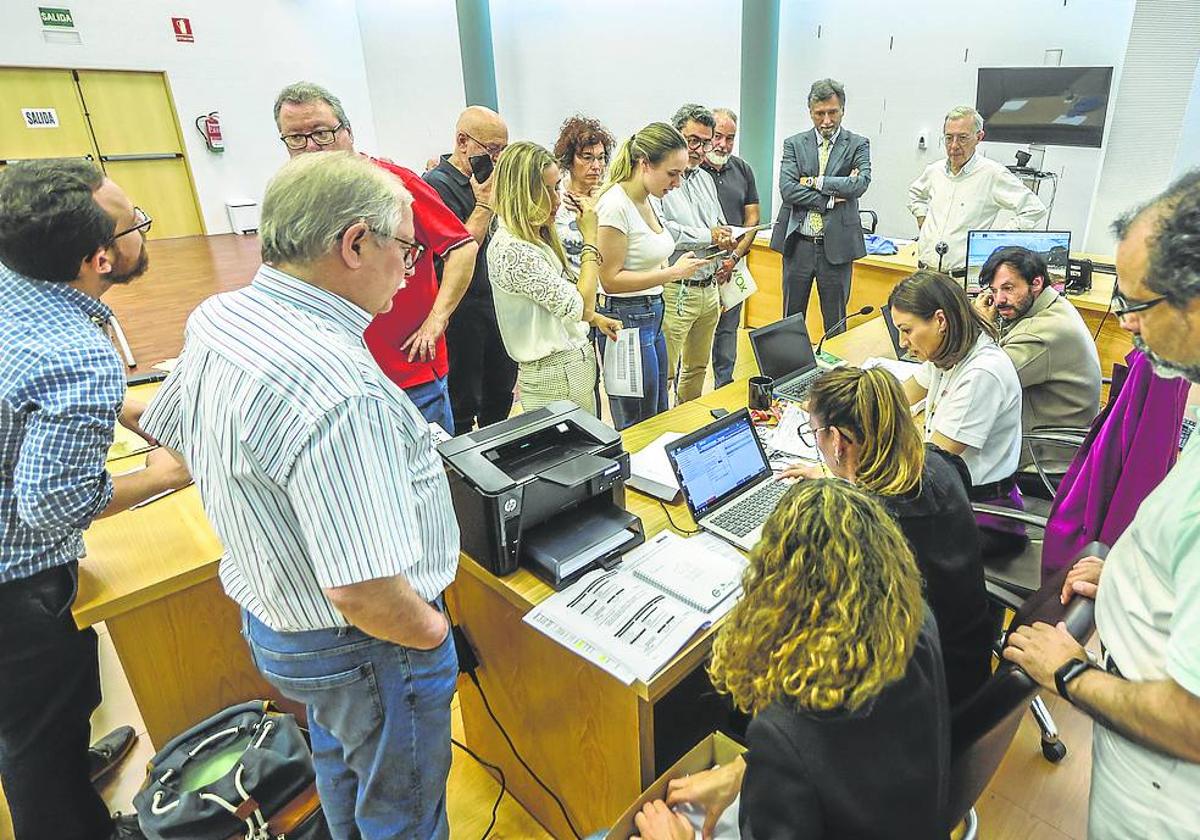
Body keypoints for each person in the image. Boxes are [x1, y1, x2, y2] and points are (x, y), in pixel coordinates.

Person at [141, 153, 459, 839]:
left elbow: (175, 437)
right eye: (407, 249)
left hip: (278, 619)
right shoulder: (338, 386)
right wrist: (431, 636)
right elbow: (363, 591)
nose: (411, 271)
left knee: (343, 767)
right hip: (366, 642)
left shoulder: (220, 316)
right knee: (403, 813)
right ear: (354, 243)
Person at [1003, 170, 1200, 840]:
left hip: (1166, 794)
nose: (1127, 321)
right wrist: (1131, 578)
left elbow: (1194, 719)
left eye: (1138, 302)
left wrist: (1070, 673)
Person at [0, 159, 191, 840]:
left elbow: (23, 403)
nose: (145, 227)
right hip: (16, 583)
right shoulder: (75, 355)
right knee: (40, 731)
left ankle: (67, 767)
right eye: (137, 221)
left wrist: (125, 409)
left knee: (32, 720)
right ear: (101, 257)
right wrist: (168, 475)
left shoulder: (16, 284)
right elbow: (52, 504)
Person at [631, 480, 949, 840]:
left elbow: (814, 752)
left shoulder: (786, 732)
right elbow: (849, 757)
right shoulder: (917, 621)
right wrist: (746, 768)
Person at [274, 81, 477, 434]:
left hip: (410, 376)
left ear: (347, 132)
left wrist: (436, 320)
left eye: (321, 133)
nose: (310, 147)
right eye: (295, 137)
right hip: (340, 378)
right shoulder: (294, 201)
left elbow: (461, 247)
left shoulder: (394, 184)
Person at [784, 366, 993, 707]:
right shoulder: (936, 463)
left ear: (838, 440)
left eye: (815, 433)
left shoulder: (866, 531)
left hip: (918, 699)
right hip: (967, 666)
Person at [888, 270, 1026, 557]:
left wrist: (843, 470)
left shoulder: (981, 373)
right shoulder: (949, 351)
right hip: (953, 494)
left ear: (940, 320)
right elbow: (899, 397)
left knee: (868, 541)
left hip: (981, 514)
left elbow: (929, 464)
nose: (902, 343)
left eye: (907, 330)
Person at [487, 141, 621, 414]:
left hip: (570, 369)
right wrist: (590, 240)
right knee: (576, 455)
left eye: (556, 186)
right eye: (545, 190)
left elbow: (558, 302)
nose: (557, 199)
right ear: (521, 194)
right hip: (554, 377)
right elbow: (582, 307)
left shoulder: (534, 238)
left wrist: (595, 319)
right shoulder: (514, 250)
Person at [595, 122, 709, 429]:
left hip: (652, 313)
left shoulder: (646, 199)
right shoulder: (615, 206)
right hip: (625, 318)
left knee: (657, 412)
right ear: (645, 164)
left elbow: (644, 257)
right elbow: (610, 280)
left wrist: (668, 269)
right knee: (637, 421)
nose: (678, 182)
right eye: (672, 174)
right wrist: (671, 273)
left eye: (682, 174)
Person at [973, 245, 1101, 489]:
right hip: (1057, 438)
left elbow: (979, 383)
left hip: (1043, 455)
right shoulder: (1051, 306)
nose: (999, 300)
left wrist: (977, 324)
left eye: (1008, 288)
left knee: (943, 464)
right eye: (993, 290)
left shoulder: (1041, 334)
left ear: (1036, 283)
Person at [424, 106, 517, 434]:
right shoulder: (435, 187)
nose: (497, 159)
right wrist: (482, 206)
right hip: (462, 313)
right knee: (463, 403)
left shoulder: (491, 180)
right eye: (492, 149)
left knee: (501, 393)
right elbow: (455, 253)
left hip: (497, 306)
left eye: (503, 150)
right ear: (463, 142)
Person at [770, 78, 872, 335]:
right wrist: (828, 198)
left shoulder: (858, 144)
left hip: (836, 247)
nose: (826, 121)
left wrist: (815, 181)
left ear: (843, 110)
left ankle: (837, 375)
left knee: (836, 322)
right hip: (799, 245)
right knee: (790, 321)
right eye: (820, 114)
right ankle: (791, 372)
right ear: (810, 112)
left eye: (832, 112)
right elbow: (788, 189)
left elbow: (860, 184)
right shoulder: (794, 144)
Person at [908, 105, 1048, 274]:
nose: (953, 146)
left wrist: (996, 240)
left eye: (962, 138)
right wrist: (922, 218)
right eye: (948, 138)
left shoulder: (992, 174)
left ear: (979, 137)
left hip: (960, 279)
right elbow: (915, 194)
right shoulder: (934, 171)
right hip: (925, 273)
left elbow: (1034, 209)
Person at [656, 104, 732, 403]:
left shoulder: (704, 178)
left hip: (709, 287)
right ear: (676, 136)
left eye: (707, 141)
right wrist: (709, 235)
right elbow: (665, 233)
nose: (700, 149)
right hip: (677, 289)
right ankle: (661, 432)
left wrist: (725, 236)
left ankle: (688, 427)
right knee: (667, 373)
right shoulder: (661, 180)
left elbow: (716, 223)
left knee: (698, 368)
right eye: (693, 141)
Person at [702, 107, 761, 388]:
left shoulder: (742, 169)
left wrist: (734, 257)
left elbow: (753, 219)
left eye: (730, 138)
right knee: (695, 340)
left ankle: (722, 389)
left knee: (728, 334)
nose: (723, 145)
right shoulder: (692, 172)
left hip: (733, 264)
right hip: (700, 267)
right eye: (717, 137)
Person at [552, 114, 616, 271]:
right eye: (587, 157)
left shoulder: (610, 197)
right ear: (569, 159)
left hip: (604, 288)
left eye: (601, 158)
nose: (596, 166)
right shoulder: (554, 197)